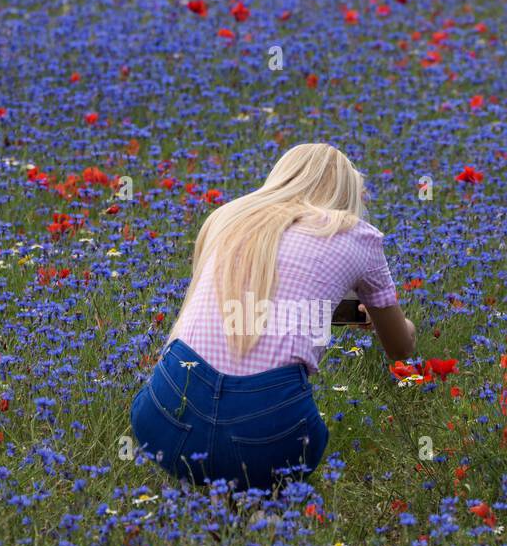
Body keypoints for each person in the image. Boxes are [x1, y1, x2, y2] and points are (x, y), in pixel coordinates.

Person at [130, 143, 415, 492]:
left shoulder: (227, 217)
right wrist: (388, 320)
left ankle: (220, 502)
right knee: (271, 450)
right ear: (349, 192)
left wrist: (336, 312)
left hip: (165, 421)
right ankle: (262, 513)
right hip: (269, 435)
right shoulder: (357, 236)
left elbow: (246, 306)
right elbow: (400, 348)